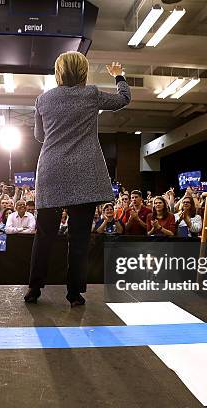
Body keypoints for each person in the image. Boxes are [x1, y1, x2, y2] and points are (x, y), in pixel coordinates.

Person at [26, 53, 131, 307]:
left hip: (51, 171)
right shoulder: (91, 94)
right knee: (79, 237)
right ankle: (74, 293)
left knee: (44, 235)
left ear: (58, 71)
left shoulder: (43, 99)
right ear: (83, 71)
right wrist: (119, 76)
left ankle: (34, 289)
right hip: (84, 173)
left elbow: (40, 136)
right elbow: (123, 99)